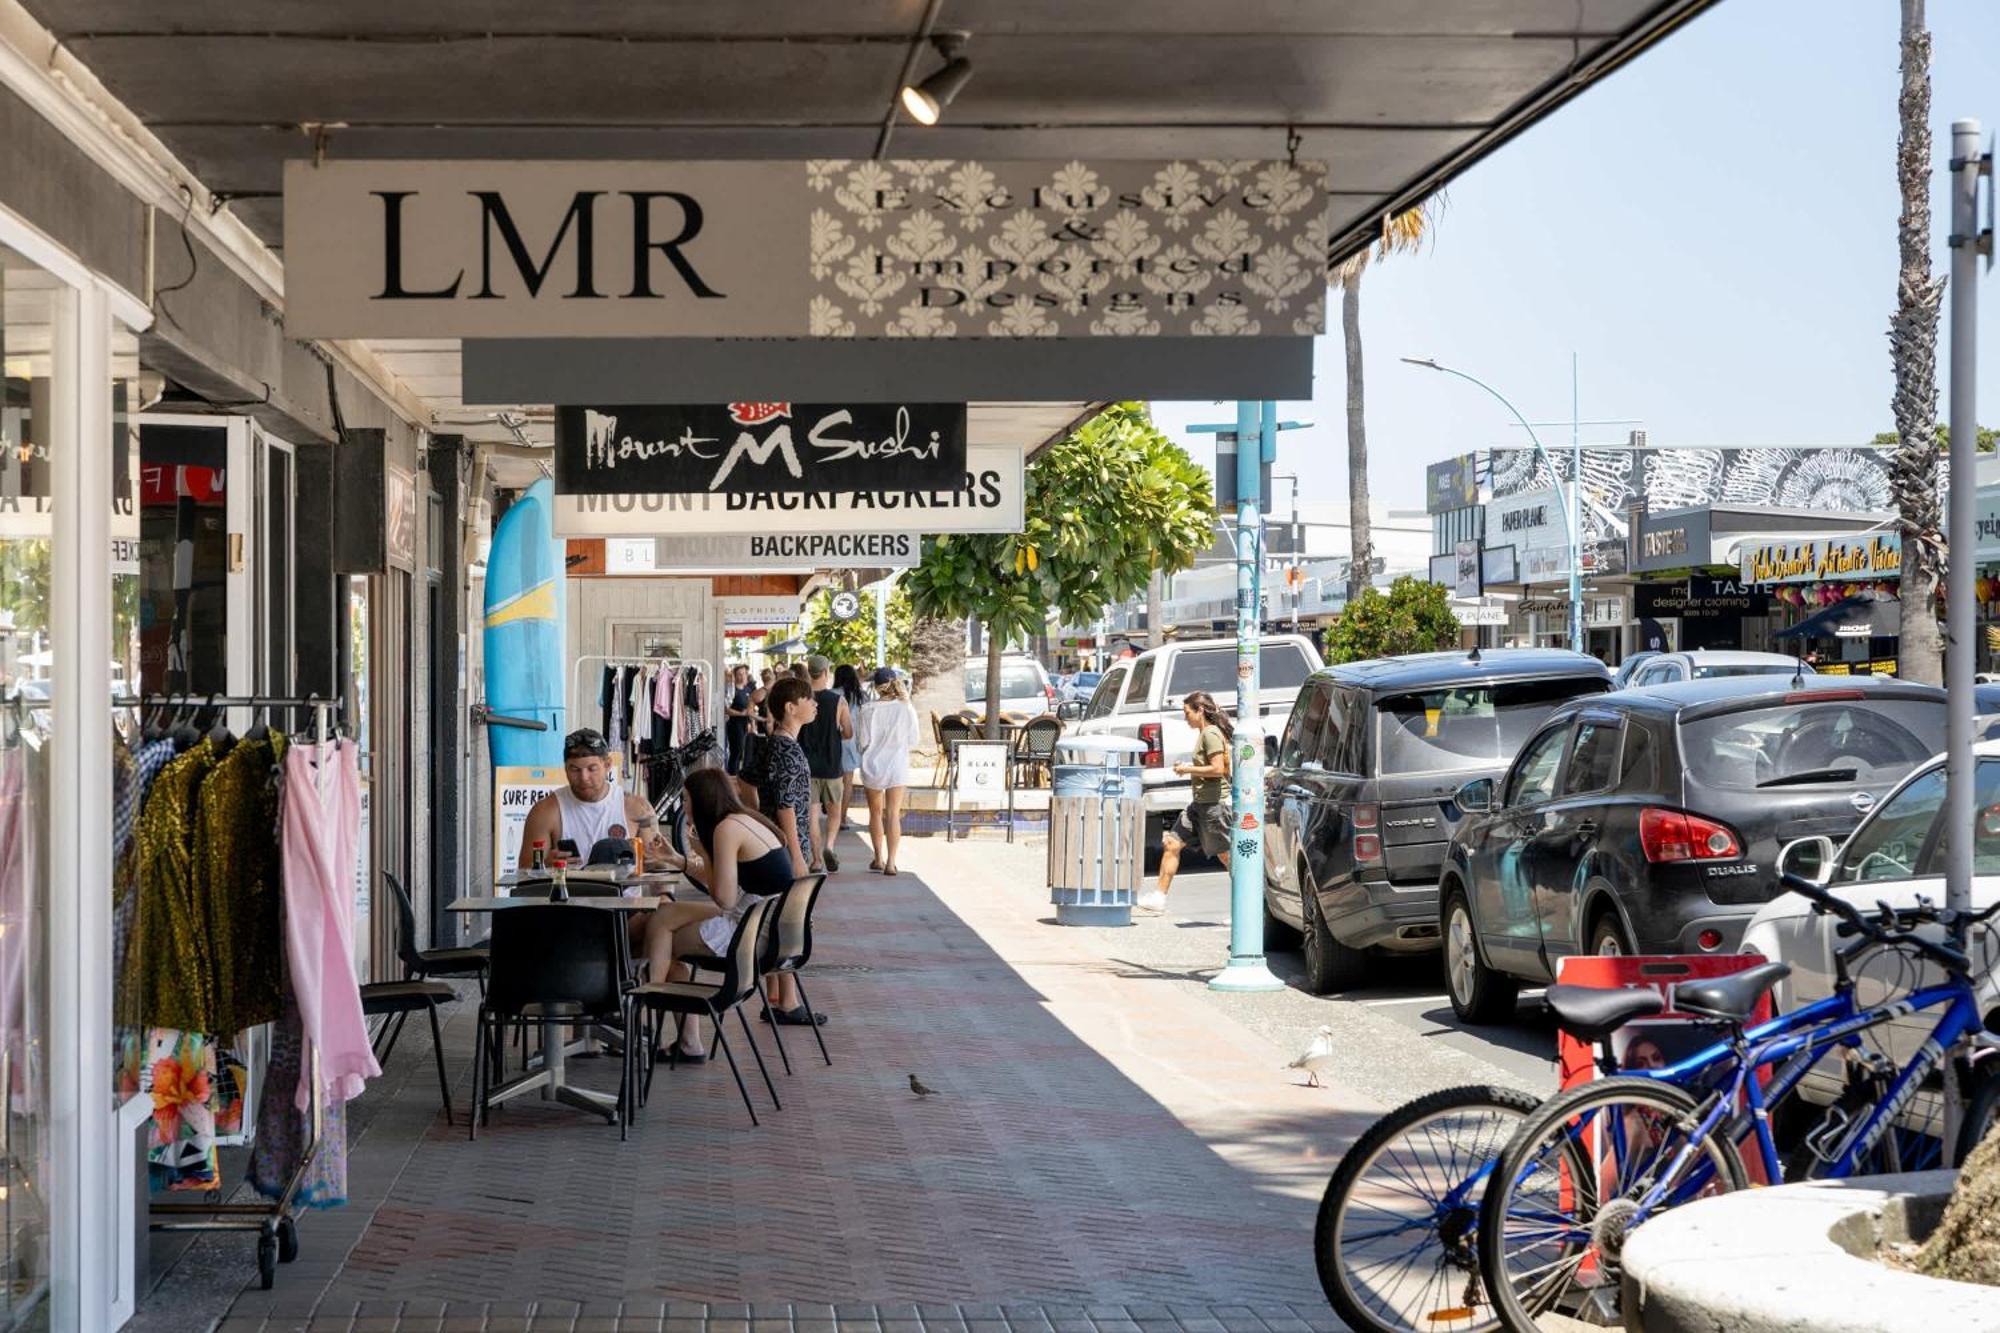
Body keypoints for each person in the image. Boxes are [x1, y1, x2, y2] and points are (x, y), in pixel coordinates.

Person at [633, 770, 824, 1061]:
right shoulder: (746, 819)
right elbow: (726, 887)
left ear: (702, 800)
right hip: (768, 922)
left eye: (685, 799)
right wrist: (679, 859)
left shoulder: (725, 830)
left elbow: (723, 897)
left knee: (662, 936)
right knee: (664, 915)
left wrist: (704, 852)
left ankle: (650, 1009)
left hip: (753, 931)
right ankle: (664, 1017)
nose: (683, 807)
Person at [515, 728, 668, 869]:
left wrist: (665, 895)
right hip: (569, 897)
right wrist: (544, 864)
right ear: (565, 768)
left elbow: (658, 866)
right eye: (574, 769)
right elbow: (524, 872)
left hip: (623, 897)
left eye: (592, 769)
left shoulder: (637, 808)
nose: (584, 778)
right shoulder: (545, 811)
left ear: (607, 765)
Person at [1138, 691, 1233, 913]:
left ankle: (1247, 909)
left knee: (1227, 857)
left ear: (1199, 710)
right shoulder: (1205, 734)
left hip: (1214, 805)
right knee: (1172, 843)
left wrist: (1186, 769)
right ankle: (1159, 897)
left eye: (1187, 712)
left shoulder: (1211, 734)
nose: (1185, 717)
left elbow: (1219, 769)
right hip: (1199, 804)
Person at [739, 675, 817, 878]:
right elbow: (786, 807)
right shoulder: (787, 750)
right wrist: (797, 858)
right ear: (791, 708)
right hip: (787, 850)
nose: (814, 704)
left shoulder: (775, 742)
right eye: (808, 699)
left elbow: (745, 780)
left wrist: (760, 815)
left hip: (775, 843)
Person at [857, 666, 918, 874]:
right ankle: (891, 863)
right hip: (897, 765)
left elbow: (863, 741)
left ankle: (877, 858)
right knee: (893, 813)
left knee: (875, 813)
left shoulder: (867, 709)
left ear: (876, 686)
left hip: (872, 766)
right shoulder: (905, 707)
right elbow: (914, 739)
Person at [797, 654, 853, 874]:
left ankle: (817, 860)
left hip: (807, 766)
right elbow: (848, 733)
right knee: (834, 812)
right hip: (832, 766)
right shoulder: (837, 700)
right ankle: (830, 846)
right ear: (826, 673)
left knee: (811, 815)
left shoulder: (801, 700)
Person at [831, 663, 866, 854]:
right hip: (852, 743)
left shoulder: (833, 693)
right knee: (848, 782)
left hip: (835, 741)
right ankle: (843, 817)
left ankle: (834, 817)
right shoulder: (860, 696)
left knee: (834, 782)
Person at [723, 663, 754, 774]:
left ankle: (739, 776)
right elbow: (726, 709)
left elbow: (750, 708)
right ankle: (733, 775)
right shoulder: (731, 690)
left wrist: (751, 722)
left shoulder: (748, 689)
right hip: (734, 724)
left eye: (744, 674)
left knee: (743, 752)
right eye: (739, 674)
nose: (742, 676)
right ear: (735, 676)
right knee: (736, 751)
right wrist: (741, 714)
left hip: (745, 724)